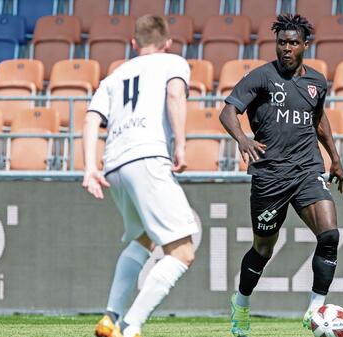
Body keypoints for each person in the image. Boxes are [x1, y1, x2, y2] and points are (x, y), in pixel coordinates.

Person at [219, 14, 343, 337]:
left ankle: (315, 310)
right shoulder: (261, 77)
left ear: (305, 46)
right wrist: (243, 139)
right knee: (263, 249)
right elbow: (228, 111)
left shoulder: (317, 82)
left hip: (307, 170)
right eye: (282, 42)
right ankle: (242, 303)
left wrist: (335, 158)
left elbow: (318, 120)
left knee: (330, 235)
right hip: (270, 176)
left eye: (293, 43)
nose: (286, 48)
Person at [82, 15, 198, 337]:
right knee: (182, 251)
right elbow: (175, 95)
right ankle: (132, 326)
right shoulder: (173, 62)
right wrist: (181, 145)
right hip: (146, 157)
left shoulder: (114, 76)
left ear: (133, 44)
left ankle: (110, 318)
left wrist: (89, 166)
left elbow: (92, 119)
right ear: (169, 43)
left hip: (114, 165)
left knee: (143, 239)